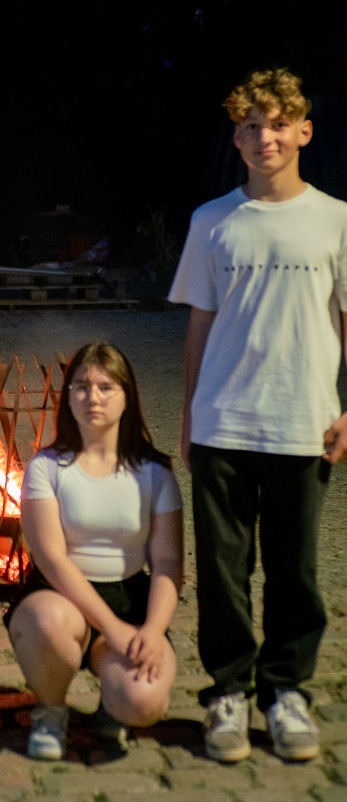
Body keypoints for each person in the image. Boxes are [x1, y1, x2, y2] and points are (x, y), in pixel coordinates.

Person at [168, 67, 347, 763]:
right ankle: (229, 693)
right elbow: (199, 326)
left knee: (295, 570)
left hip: (304, 421)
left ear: (304, 131)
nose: (264, 136)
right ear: (236, 138)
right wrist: (189, 415)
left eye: (277, 124)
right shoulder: (211, 221)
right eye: (250, 126)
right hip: (224, 421)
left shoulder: (336, 219)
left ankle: (286, 691)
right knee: (222, 572)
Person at [4, 342, 183, 761]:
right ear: (68, 398)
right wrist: (110, 626)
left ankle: (113, 707)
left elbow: (168, 562)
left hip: (128, 597)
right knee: (48, 622)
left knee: (143, 701)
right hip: (58, 596)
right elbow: (51, 558)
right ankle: (50, 710)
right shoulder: (47, 467)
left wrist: (152, 630)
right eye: (82, 387)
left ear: (127, 396)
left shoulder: (155, 472)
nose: (93, 397)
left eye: (106, 387)